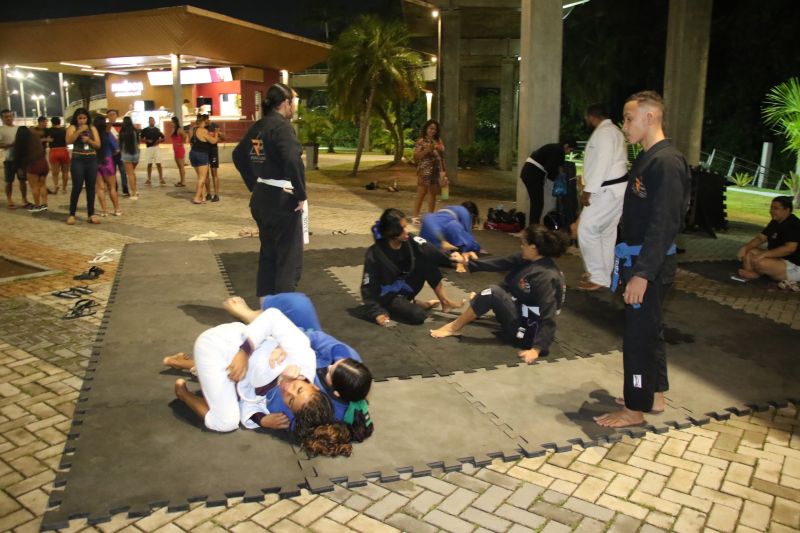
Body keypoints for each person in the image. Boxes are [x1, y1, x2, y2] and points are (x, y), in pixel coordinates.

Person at [594, 91, 690, 428]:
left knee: (637, 337)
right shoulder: (649, 157)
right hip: (639, 259)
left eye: (629, 118)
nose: (625, 125)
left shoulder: (667, 162)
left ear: (650, 117)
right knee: (650, 329)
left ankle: (634, 408)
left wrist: (643, 274)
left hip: (648, 264)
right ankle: (654, 393)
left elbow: (665, 223)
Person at [166, 305, 353, 457]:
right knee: (224, 422)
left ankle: (184, 367)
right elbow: (272, 316)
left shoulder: (281, 397)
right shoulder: (301, 355)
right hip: (220, 344)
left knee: (232, 407)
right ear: (313, 386)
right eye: (299, 389)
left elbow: (249, 403)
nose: (288, 390)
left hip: (230, 370)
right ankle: (183, 392)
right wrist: (244, 353)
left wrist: (262, 420)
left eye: (290, 399)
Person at [216, 293, 374, 441]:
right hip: (301, 346)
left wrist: (262, 419)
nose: (331, 364)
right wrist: (284, 344)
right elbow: (317, 338)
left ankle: (259, 326)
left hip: (274, 374)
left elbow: (297, 421)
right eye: (336, 362)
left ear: (335, 392)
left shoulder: (327, 410)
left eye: (331, 370)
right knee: (298, 304)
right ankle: (254, 317)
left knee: (242, 379)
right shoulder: (349, 360)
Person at [431, 225, 568, 364]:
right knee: (499, 287)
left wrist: (537, 349)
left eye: (524, 243)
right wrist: (467, 263)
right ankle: (482, 300)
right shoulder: (528, 260)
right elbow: (498, 262)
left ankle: (454, 327)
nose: (521, 246)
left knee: (492, 291)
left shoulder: (545, 276)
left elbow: (548, 314)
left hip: (527, 331)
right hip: (521, 311)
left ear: (533, 247)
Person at [232, 83, 306, 299]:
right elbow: (293, 160)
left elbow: (238, 156)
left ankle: (266, 304)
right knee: (287, 258)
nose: (294, 108)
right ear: (285, 103)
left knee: (269, 254)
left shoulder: (259, 126)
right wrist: (301, 194)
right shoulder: (282, 127)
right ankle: (281, 312)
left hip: (262, 198)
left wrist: (254, 184)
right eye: (294, 102)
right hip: (282, 200)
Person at [360, 208, 465, 326]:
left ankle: (445, 301)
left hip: (405, 286)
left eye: (406, 227)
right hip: (389, 296)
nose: (407, 231)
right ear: (392, 232)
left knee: (426, 259)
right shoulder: (374, 254)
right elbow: (367, 288)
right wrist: (377, 313)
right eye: (403, 228)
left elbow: (429, 249)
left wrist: (452, 259)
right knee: (418, 316)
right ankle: (412, 304)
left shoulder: (408, 239)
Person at [577, 104, 629, 291]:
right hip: (613, 189)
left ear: (591, 116)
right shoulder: (612, 131)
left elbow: (602, 163)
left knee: (586, 230)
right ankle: (604, 275)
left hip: (605, 190)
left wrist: (588, 190)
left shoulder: (605, 133)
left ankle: (598, 276)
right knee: (606, 233)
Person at [736, 196, 800, 289]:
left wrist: (764, 254)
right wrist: (744, 248)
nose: (771, 211)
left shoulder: (794, 224)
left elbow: (789, 248)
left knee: (761, 262)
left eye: (776, 208)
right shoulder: (775, 221)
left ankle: (760, 272)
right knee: (749, 252)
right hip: (779, 259)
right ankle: (754, 273)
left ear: (787, 210)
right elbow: (760, 238)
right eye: (771, 208)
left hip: (794, 265)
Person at [520, 140, 576, 226]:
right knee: (537, 203)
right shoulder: (559, 151)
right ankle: (533, 228)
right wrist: (557, 179)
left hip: (529, 172)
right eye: (571, 150)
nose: (569, 153)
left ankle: (533, 226)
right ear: (566, 145)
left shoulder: (555, 148)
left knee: (536, 203)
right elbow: (550, 167)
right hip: (532, 174)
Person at [65, 107, 101, 225]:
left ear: (87, 118)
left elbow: (98, 145)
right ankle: (72, 214)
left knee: (91, 187)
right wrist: (79, 131)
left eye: (84, 118)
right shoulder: (72, 128)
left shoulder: (93, 128)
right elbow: (69, 141)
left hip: (91, 159)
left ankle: (91, 213)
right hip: (78, 159)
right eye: (80, 118)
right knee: (77, 186)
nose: (82, 120)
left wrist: (89, 141)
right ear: (76, 119)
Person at [412, 119, 445, 222]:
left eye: (435, 129)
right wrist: (428, 150)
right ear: (426, 129)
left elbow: (442, 153)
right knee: (421, 192)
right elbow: (416, 156)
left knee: (433, 194)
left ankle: (430, 216)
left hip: (436, 169)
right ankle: (415, 216)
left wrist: (443, 170)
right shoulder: (421, 141)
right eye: (431, 128)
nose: (433, 131)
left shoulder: (438, 141)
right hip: (424, 169)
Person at [12, 126, 49, 212]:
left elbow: (18, 156)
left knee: (34, 186)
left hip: (33, 164)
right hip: (43, 163)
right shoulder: (36, 139)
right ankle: (44, 204)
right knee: (42, 185)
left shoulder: (22, 141)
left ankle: (37, 206)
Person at [1, 109, 31, 209]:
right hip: (9, 159)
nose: (9, 118)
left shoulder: (19, 129)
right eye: (6, 117)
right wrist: (11, 144)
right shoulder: (1, 130)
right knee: (9, 181)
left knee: (22, 180)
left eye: (10, 116)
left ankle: (24, 199)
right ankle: (9, 199)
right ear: (2, 118)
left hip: (21, 160)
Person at [93, 115, 121, 217]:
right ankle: (117, 209)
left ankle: (104, 211)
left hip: (95, 162)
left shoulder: (92, 136)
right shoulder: (108, 134)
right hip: (108, 160)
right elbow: (117, 149)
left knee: (100, 188)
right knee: (112, 187)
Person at [188, 114, 217, 204]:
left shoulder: (191, 130)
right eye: (205, 122)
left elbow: (190, 142)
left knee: (200, 176)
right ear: (202, 122)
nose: (206, 124)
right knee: (202, 178)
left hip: (193, 153)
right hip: (202, 155)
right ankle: (197, 197)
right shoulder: (203, 131)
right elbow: (213, 141)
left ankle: (203, 196)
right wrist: (216, 134)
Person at [106, 109, 129, 197]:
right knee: (113, 172)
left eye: (114, 114)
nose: (112, 116)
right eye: (110, 114)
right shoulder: (107, 127)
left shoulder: (121, 126)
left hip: (121, 153)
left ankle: (125, 189)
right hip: (111, 154)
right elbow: (107, 133)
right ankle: (114, 188)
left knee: (123, 171)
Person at [47, 116, 70, 194]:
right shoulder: (64, 130)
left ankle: (56, 186)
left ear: (52, 123)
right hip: (63, 150)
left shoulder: (49, 130)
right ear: (59, 122)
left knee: (55, 173)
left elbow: (48, 139)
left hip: (54, 151)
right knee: (65, 172)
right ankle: (64, 188)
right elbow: (67, 141)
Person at [119, 117, 140, 200]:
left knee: (130, 174)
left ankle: (134, 193)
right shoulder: (135, 131)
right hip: (136, 154)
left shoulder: (122, 132)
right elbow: (137, 143)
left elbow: (120, 144)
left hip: (126, 155)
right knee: (133, 173)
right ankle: (135, 190)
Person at [140, 116, 165, 185]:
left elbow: (163, 138)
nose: (152, 122)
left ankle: (161, 178)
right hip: (149, 148)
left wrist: (159, 141)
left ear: (154, 122)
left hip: (156, 148)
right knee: (149, 164)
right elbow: (141, 139)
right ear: (148, 122)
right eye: (150, 121)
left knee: (158, 163)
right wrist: (147, 140)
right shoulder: (145, 130)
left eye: (153, 121)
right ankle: (149, 179)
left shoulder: (157, 130)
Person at [206, 121, 224, 202]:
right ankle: (208, 194)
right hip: (204, 151)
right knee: (205, 173)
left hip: (213, 151)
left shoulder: (214, 126)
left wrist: (218, 133)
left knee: (214, 172)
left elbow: (224, 138)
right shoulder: (201, 127)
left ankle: (216, 194)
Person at [169, 116, 187, 187]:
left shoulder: (179, 129)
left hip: (179, 149)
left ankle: (183, 182)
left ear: (175, 122)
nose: (171, 123)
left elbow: (185, 136)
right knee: (179, 166)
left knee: (181, 166)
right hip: (176, 149)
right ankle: (181, 180)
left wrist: (182, 142)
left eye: (172, 122)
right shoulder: (174, 129)